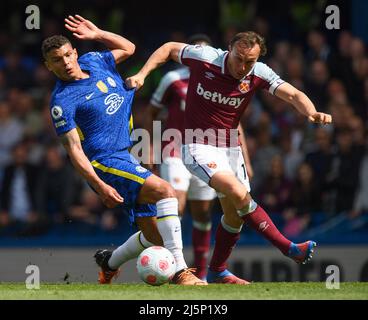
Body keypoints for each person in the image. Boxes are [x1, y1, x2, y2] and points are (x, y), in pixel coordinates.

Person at [127, 31, 332, 284]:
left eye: (250, 61)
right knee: (237, 193)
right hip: (196, 145)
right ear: (229, 50)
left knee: (235, 214)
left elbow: (292, 94)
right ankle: (288, 247)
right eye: (239, 59)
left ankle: (218, 270)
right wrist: (141, 74)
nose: (243, 67)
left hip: (230, 149)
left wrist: (311, 112)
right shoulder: (206, 57)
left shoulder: (259, 73)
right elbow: (169, 47)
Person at [43, 15, 206, 285]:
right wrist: (98, 185)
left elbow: (129, 48)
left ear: (74, 52)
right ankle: (181, 273)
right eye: (57, 60)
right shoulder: (62, 101)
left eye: (67, 55)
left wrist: (97, 34)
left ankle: (109, 262)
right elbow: (74, 151)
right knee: (166, 191)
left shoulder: (94, 61)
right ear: (48, 66)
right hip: (105, 162)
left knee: (154, 237)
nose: (66, 63)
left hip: (126, 155)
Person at [147, 33, 254, 280]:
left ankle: (202, 275)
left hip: (210, 152)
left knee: (203, 213)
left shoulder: (225, 82)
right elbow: (153, 110)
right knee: (177, 204)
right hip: (174, 148)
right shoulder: (172, 79)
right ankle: (174, 267)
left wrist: (245, 160)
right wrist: (152, 145)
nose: (204, 59)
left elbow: (234, 125)